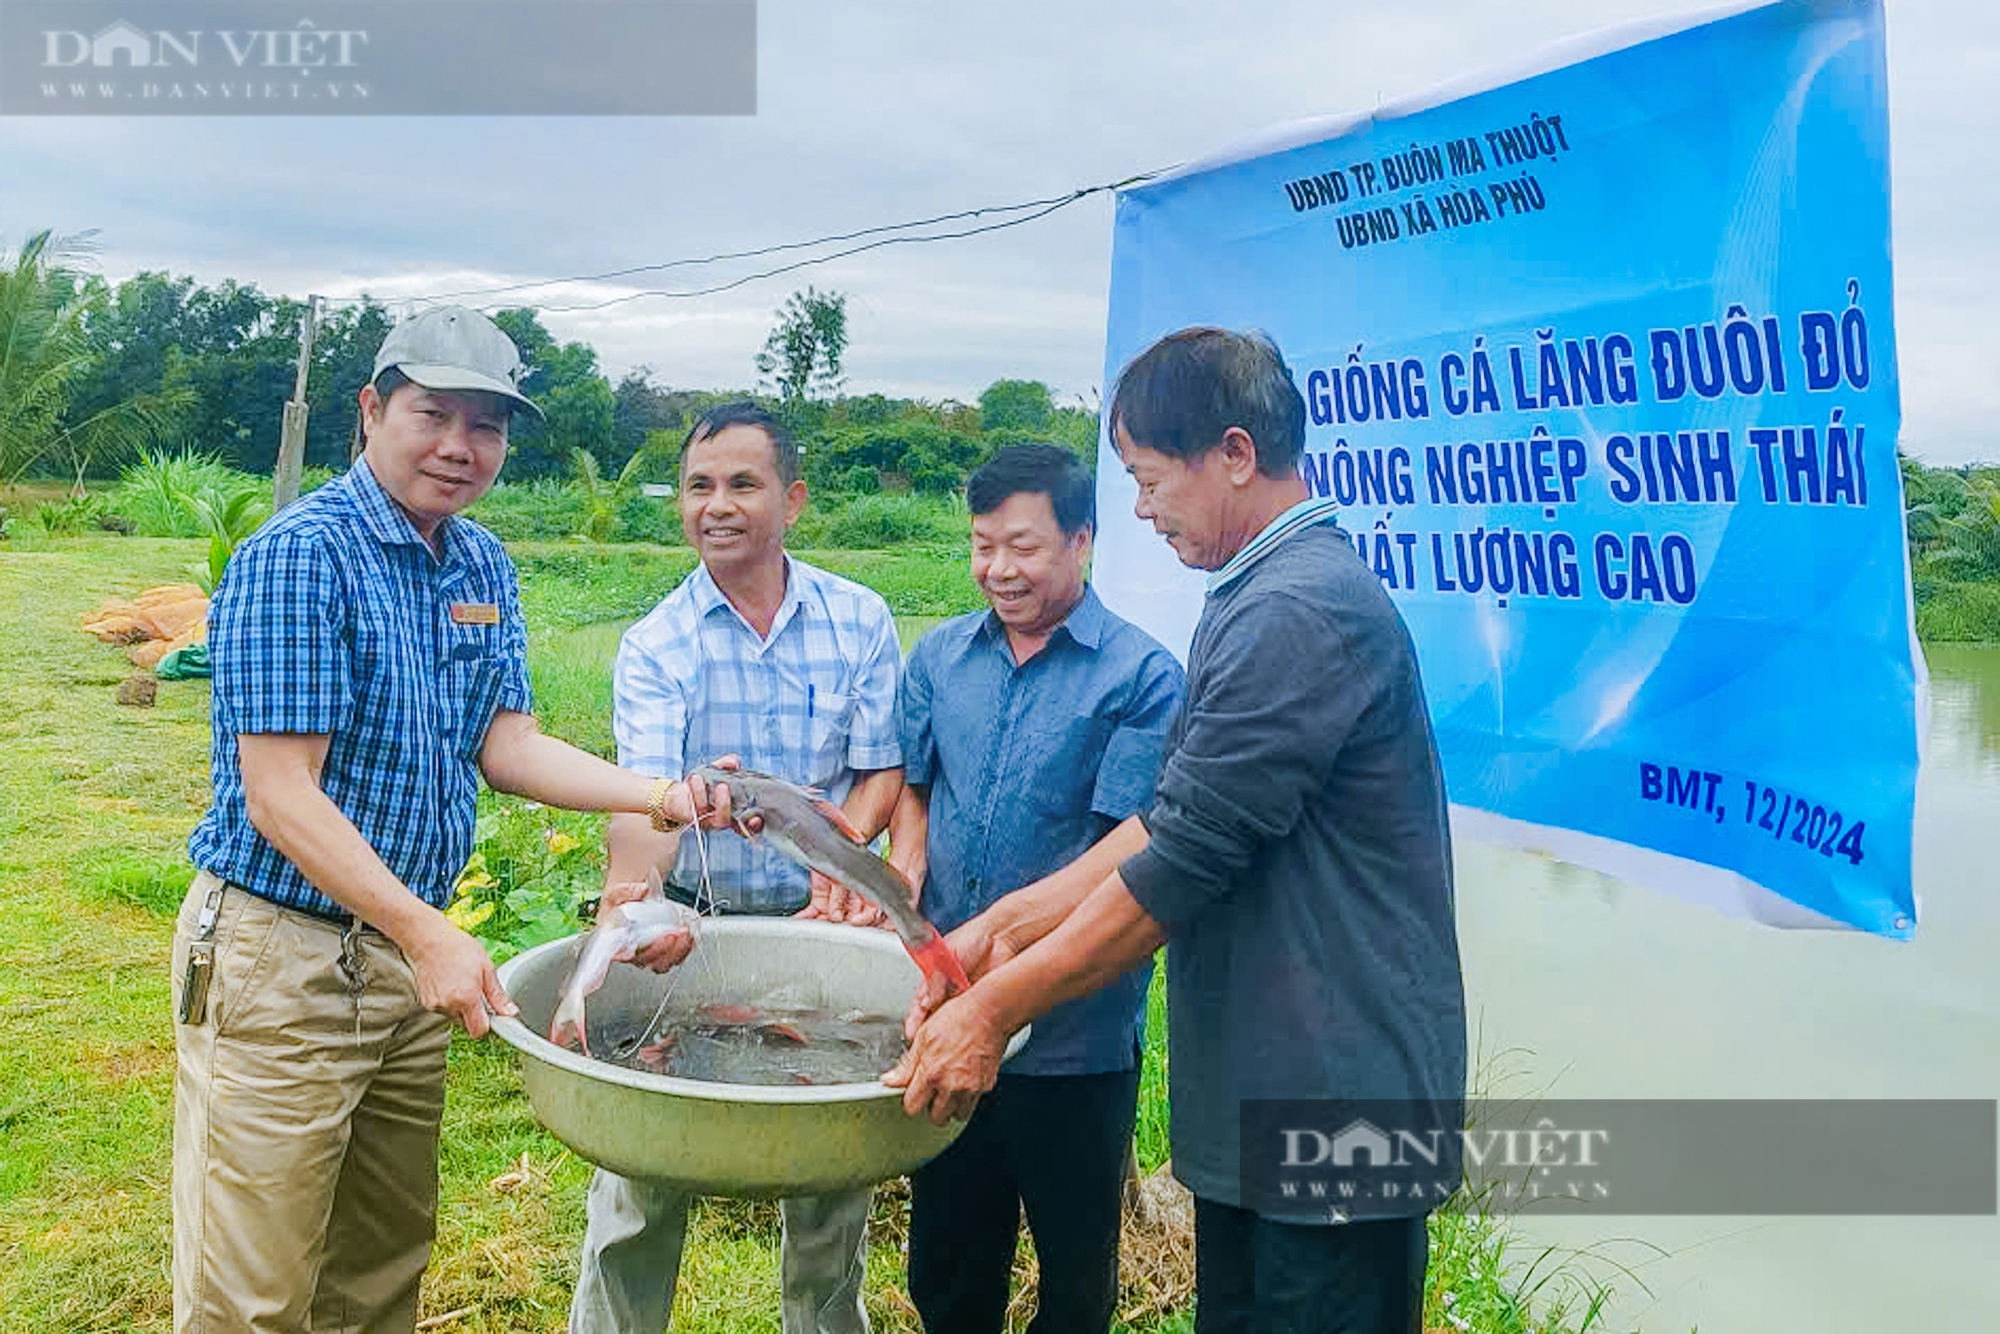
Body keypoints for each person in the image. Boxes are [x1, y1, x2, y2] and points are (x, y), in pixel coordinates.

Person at [887, 329, 1467, 1334]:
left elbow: (1180, 866)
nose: (1142, 509)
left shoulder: (1299, 609)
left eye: (1149, 481)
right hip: (1274, 1087)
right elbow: (1172, 814)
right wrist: (997, 929)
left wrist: (988, 1013)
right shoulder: (1255, 592)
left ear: (1234, 454)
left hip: (1337, 1103)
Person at [175, 306, 726, 1334]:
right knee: (252, 1287)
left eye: (486, 425)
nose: (459, 446)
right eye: (434, 414)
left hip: (405, 953)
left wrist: (656, 795)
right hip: (284, 951)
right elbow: (280, 791)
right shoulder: (302, 555)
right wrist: (426, 929)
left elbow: (504, 742)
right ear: (372, 410)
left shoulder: (477, 565)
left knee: (379, 1264)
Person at [569, 401, 904, 1334]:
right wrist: (628, 905)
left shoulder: (859, 618)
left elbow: (879, 771)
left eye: (742, 485)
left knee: (832, 1169)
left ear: (791, 499)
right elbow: (646, 801)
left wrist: (844, 863)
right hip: (697, 922)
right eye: (698, 487)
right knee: (642, 1172)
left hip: (819, 925)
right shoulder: (656, 645)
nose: (717, 506)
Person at [882, 444, 1183, 1334]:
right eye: (983, 546)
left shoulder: (1141, 677)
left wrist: (1015, 962)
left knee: (1075, 1275)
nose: (999, 570)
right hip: (945, 1010)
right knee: (947, 1261)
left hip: (1074, 1036)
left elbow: (1122, 858)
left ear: (1081, 541)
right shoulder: (939, 659)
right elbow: (918, 786)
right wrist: (904, 861)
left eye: (1023, 547)